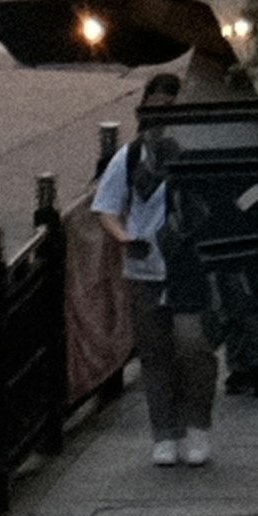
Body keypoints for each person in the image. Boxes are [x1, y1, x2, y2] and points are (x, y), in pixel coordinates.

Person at [92, 73, 212, 465]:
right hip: (144, 268)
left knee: (193, 346)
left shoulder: (193, 153)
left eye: (170, 110)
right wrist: (124, 238)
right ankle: (165, 432)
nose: (162, 118)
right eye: (156, 108)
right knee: (155, 353)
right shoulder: (130, 158)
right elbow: (107, 208)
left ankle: (198, 426)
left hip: (189, 266)